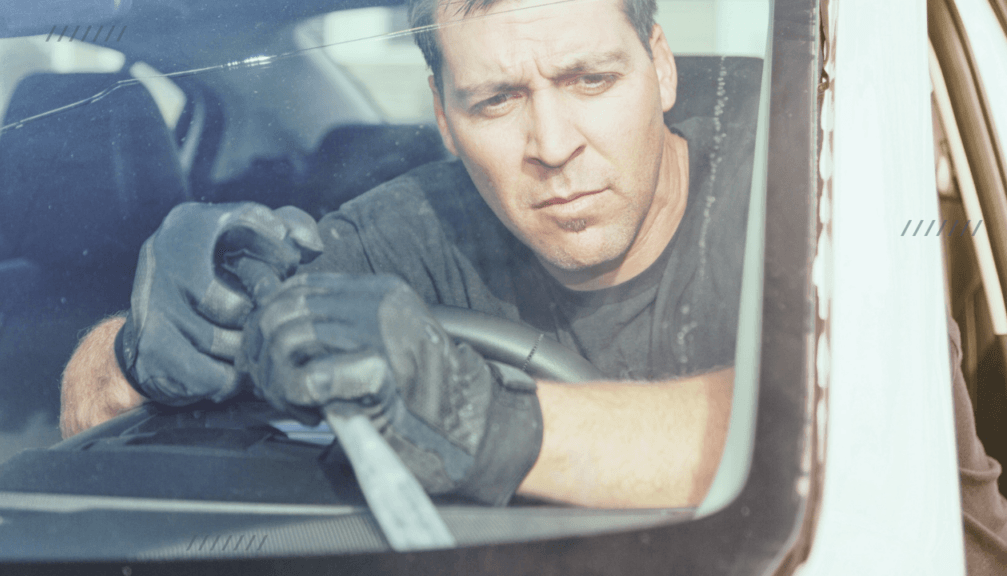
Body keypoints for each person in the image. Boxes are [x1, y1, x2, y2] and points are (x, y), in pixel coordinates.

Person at [61, 0, 742, 509]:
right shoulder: (418, 224)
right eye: (496, 101)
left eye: (590, 80)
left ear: (660, 65)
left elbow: (811, 430)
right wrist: (133, 353)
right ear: (444, 118)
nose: (554, 145)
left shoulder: (799, 191)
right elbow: (89, 413)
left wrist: (490, 424)